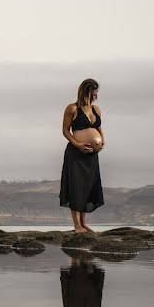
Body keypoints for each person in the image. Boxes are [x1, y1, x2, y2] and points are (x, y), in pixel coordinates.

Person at [60, 78, 105, 233]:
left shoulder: (96, 110)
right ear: (85, 93)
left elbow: (99, 128)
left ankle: (84, 224)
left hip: (91, 156)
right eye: (93, 94)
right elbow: (65, 130)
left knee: (87, 187)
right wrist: (78, 144)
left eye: (96, 94)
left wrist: (102, 141)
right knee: (76, 187)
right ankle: (77, 225)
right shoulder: (72, 109)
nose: (95, 97)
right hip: (75, 154)